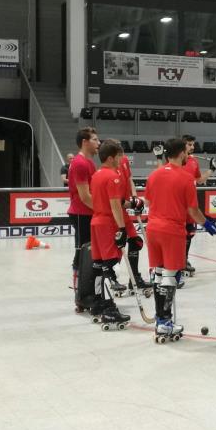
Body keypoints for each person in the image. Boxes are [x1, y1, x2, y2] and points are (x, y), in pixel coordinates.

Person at [144, 138, 216, 342]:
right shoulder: (186, 178)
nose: (189, 155)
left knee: (158, 274)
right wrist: (207, 224)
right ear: (181, 154)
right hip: (172, 230)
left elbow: (148, 201)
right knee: (170, 276)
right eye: (186, 152)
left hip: (152, 229)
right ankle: (164, 321)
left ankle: (161, 318)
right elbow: (192, 210)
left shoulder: (154, 174)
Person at [88, 139, 131, 329]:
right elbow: (114, 205)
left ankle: (97, 303)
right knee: (110, 267)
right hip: (107, 223)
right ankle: (109, 309)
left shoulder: (96, 174)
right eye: (120, 156)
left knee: (98, 266)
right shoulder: (113, 176)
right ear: (112, 157)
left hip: (96, 221)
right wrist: (122, 229)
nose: (122, 159)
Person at [68, 128, 99, 309]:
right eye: (95, 139)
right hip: (81, 213)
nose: (98, 143)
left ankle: (87, 290)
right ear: (85, 142)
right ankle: (79, 295)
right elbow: (85, 196)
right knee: (81, 252)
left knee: (89, 252)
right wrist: (102, 211)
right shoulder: (80, 163)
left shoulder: (89, 163)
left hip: (88, 213)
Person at [180, 135, 216, 277]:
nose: (192, 147)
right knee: (178, 234)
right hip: (177, 204)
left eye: (193, 145)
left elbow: (200, 180)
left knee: (189, 233)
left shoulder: (194, 161)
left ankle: (183, 260)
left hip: (190, 204)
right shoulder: (175, 160)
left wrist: (212, 170)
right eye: (189, 144)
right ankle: (176, 262)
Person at [117, 153, 153, 295]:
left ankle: (135, 279)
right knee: (116, 248)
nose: (121, 156)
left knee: (136, 242)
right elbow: (116, 199)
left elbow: (129, 179)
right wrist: (130, 203)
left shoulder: (124, 160)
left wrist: (134, 198)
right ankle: (111, 280)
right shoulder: (111, 170)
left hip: (125, 210)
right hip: (116, 212)